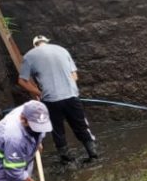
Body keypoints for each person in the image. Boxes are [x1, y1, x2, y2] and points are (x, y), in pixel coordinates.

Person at [18, 35, 98, 164]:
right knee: (81, 126)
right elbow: (74, 76)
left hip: (50, 100)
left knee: (57, 129)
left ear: (35, 45)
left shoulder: (29, 56)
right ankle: (93, 155)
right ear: (47, 42)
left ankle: (66, 160)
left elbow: (22, 81)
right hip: (71, 96)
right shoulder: (62, 50)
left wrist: (39, 92)